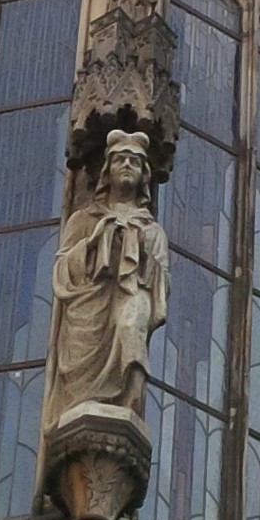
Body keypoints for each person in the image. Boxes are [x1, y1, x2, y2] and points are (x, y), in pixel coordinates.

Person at [49, 129, 171, 423]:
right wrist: (94, 244)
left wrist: (139, 252)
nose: (127, 165)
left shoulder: (152, 230)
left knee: (131, 327)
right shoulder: (84, 220)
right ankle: (82, 401)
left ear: (143, 175)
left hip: (133, 292)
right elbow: (62, 268)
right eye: (120, 160)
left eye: (134, 162)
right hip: (90, 302)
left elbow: (162, 281)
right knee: (83, 355)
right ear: (108, 170)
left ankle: (130, 402)